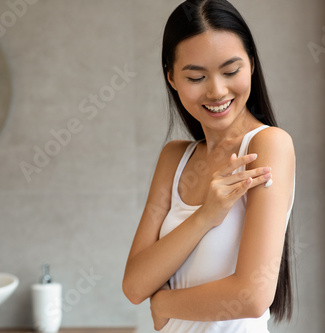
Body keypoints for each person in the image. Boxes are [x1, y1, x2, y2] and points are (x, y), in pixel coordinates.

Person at [122, 0, 296, 331]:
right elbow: (133, 285)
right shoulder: (174, 158)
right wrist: (206, 216)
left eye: (231, 71)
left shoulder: (268, 145)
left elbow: (253, 295)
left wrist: (163, 303)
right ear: (171, 77)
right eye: (196, 76)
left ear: (252, 65)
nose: (217, 90)